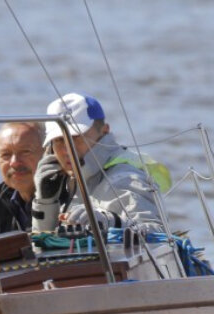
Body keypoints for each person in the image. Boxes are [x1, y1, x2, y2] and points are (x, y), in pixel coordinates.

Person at [31, 92, 167, 237]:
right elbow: (43, 244)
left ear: (104, 131)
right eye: (58, 140)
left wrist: (109, 222)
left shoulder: (126, 178)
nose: (67, 149)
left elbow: (158, 234)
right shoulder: (65, 180)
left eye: (75, 137)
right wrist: (45, 202)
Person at [0, 121, 44, 236]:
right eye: (6, 155)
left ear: (46, 153)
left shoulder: (70, 197)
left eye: (25, 152)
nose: (14, 163)